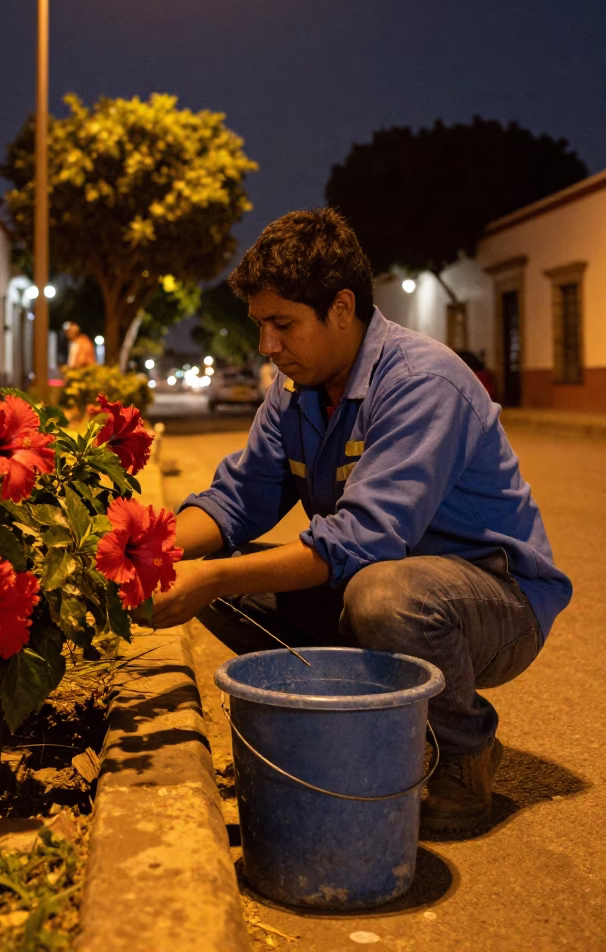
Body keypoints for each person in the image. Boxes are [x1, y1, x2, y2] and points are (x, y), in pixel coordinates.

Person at [151, 208, 571, 834]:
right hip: (375, 580)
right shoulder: (293, 390)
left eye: (283, 324)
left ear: (342, 308)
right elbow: (239, 499)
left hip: (492, 603)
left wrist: (210, 582)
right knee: (212, 573)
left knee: (381, 597)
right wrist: (143, 551)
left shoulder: (422, 381)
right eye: (261, 325)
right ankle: (368, 724)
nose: (268, 345)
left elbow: (361, 542)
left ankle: (465, 751)